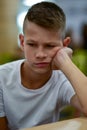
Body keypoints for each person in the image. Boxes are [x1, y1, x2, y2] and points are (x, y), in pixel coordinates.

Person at [0, 1, 87, 130]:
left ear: (65, 44)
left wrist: (66, 63)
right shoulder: (2, 77)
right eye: (32, 44)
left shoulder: (60, 79)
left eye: (50, 46)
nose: (40, 54)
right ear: (22, 42)